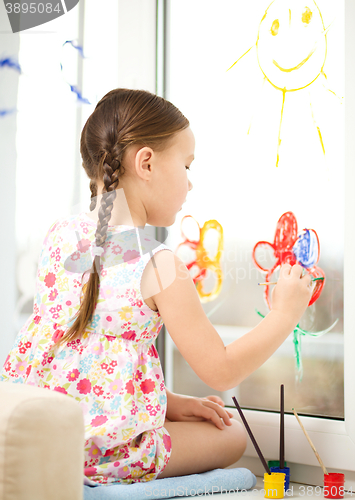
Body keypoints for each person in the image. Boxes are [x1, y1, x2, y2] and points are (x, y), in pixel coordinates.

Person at [0, 88, 313, 486]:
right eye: (187, 166)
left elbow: (79, 364)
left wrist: (167, 403)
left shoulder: (59, 235)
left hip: (42, 437)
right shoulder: (159, 264)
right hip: (101, 456)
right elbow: (221, 370)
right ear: (146, 163)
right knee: (233, 436)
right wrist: (285, 313)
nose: (190, 184)